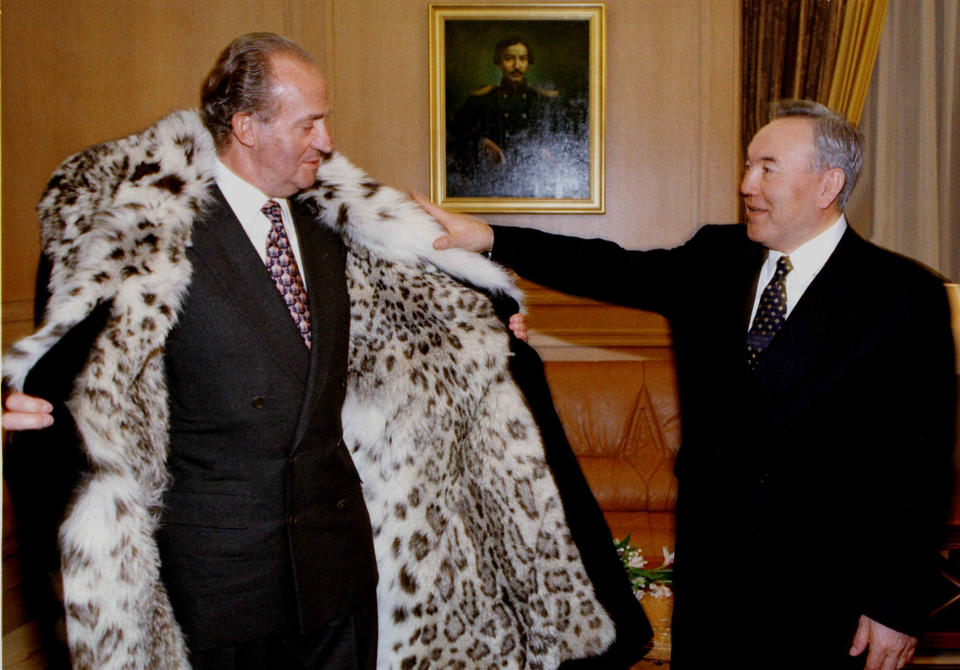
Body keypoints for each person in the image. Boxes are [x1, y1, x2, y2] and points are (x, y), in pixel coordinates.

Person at [2, 32, 644, 670]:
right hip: (219, 583)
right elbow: (72, 371)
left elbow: (414, 319)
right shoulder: (153, 229)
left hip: (338, 573)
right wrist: (18, 402)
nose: (327, 141)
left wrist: (488, 325)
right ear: (247, 126)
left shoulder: (334, 224)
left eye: (324, 121)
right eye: (308, 123)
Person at [418, 99, 957, 670]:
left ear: (828, 184)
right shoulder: (717, 257)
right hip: (713, 582)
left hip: (826, 595)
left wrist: (896, 607)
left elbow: (919, 470)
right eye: (748, 165)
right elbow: (608, 266)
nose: (746, 183)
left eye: (767, 168)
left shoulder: (902, 296)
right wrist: (489, 237)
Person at [447, 36, 588, 199]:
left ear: (529, 63)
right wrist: (481, 144)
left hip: (537, 182)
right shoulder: (481, 99)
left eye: (523, 59)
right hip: (490, 183)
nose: (517, 66)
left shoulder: (544, 99)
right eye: (509, 59)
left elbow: (568, 140)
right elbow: (456, 136)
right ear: (498, 62)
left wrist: (548, 150)